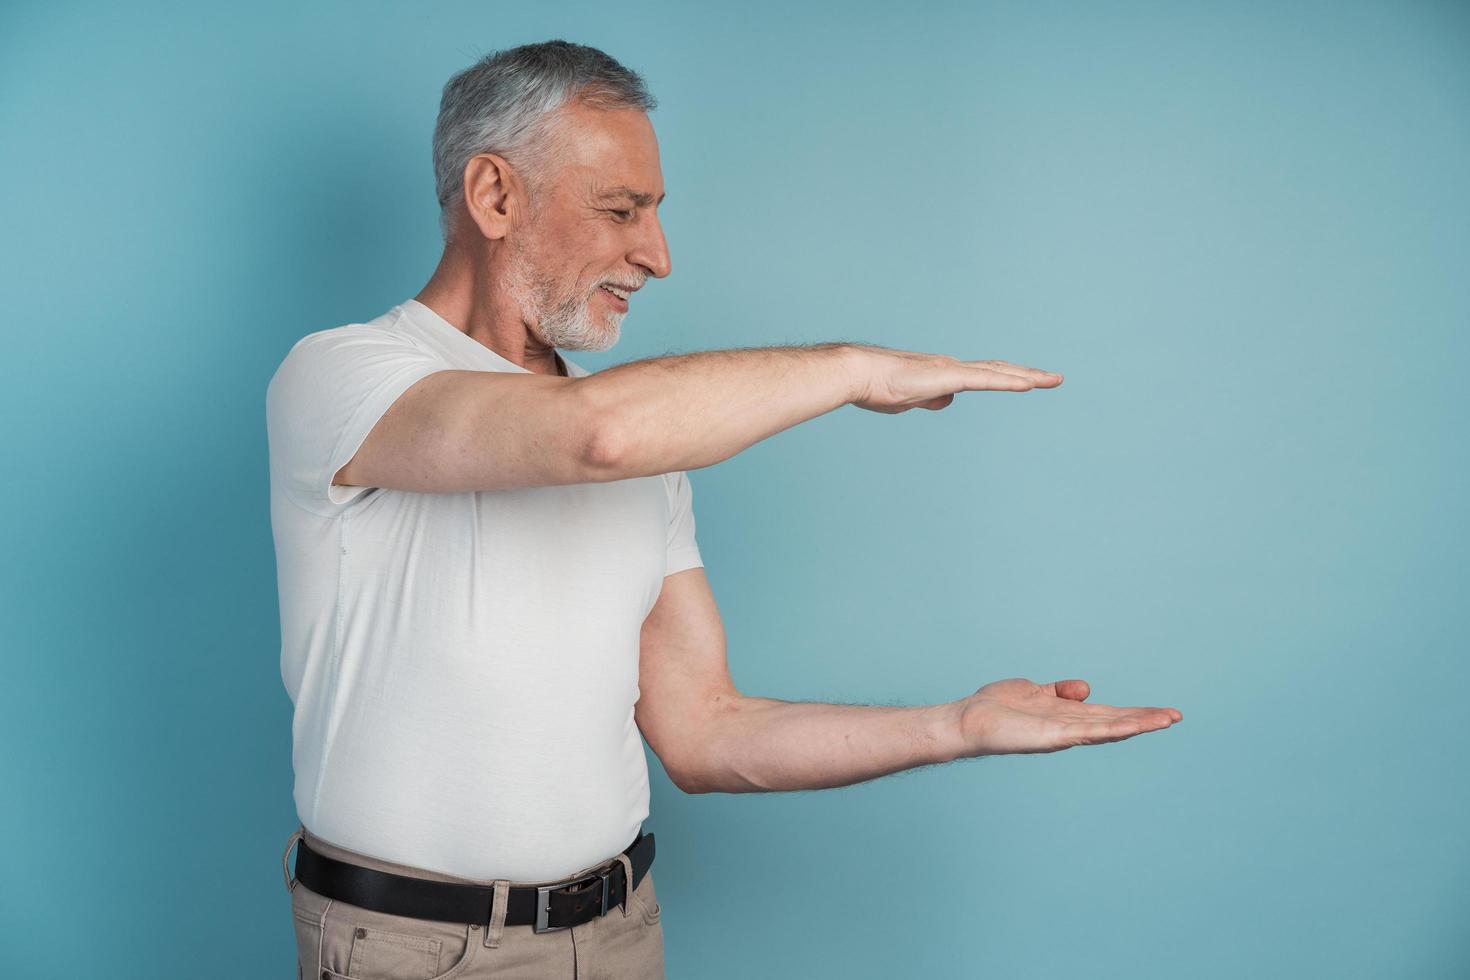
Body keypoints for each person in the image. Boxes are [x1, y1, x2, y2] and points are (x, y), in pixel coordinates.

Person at [266, 38, 1183, 980]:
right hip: (418, 950)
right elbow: (594, 434)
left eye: (655, 214)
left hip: (619, 933)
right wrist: (853, 370)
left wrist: (956, 726)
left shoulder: (655, 445)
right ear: (495, 196)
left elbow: (707, 731)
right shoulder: (343, 379)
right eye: (621, 211)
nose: (656, 256)